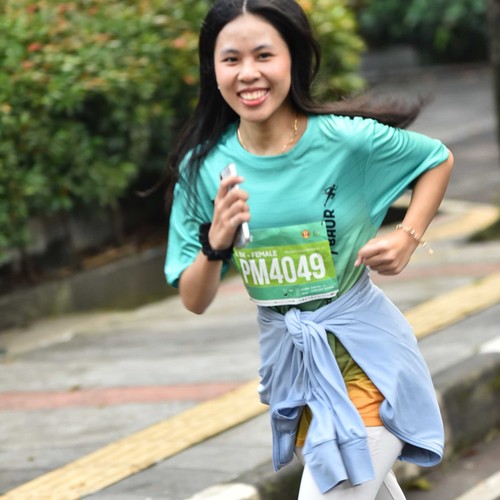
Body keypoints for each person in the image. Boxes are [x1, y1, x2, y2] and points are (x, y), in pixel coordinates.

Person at [164, 0, 454, 498]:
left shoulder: (344, 141)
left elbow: (436, 158)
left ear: (292, 59)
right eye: (231, 59)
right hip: (295, 371)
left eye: (264, 55)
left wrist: (407, 236)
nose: (248, 73)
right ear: (212, 69)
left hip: (369, 358)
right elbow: (194, 299)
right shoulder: (204, 169)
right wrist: (216, 244)